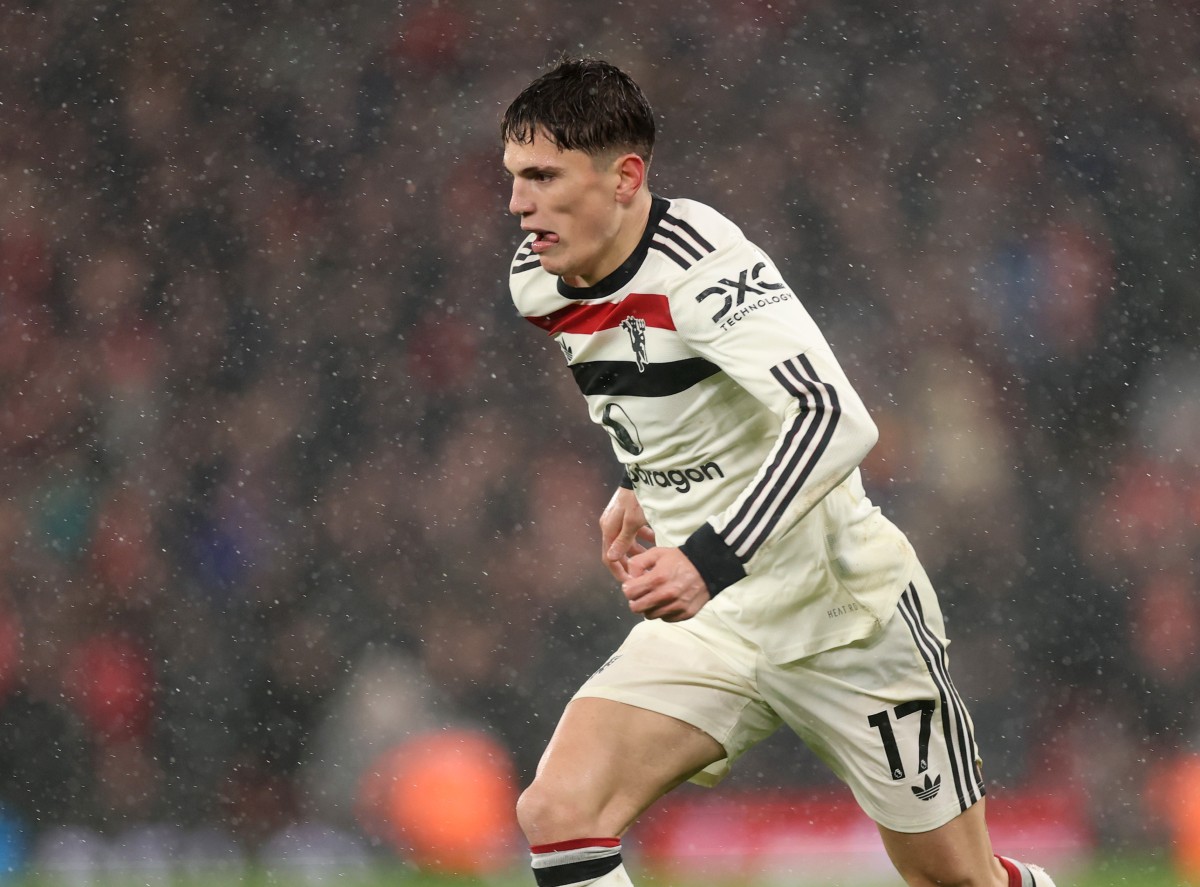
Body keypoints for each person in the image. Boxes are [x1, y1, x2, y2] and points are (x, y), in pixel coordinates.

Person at [500, 56, 1057, 887]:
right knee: (559, 811)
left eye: (543, 177)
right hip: (715, 627)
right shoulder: (538, 282)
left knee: (957, 880)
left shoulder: (706, 267)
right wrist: (642, 481)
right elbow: (663, 387)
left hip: (844, 615)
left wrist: (705, 558)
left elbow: (836, 419)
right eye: (513, 177)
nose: (518, 204)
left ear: (625, 178)